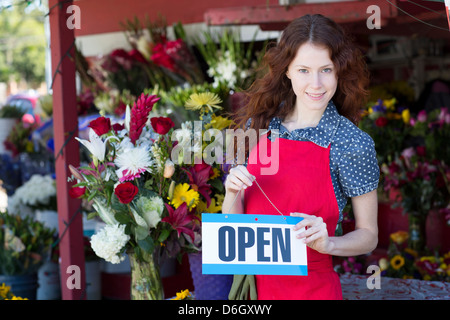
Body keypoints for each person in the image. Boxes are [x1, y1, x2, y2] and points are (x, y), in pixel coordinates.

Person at [222, 14, 380, 300]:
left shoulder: (353, 144)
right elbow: (235, 226)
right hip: (253, 293)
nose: (316, 84)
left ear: (339, 71)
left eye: (326, 70)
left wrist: (328, 244)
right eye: (304, 70)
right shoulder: (258, 127)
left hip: (313, 291)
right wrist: (231, 191)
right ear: (287, 71)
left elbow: (369, 234)